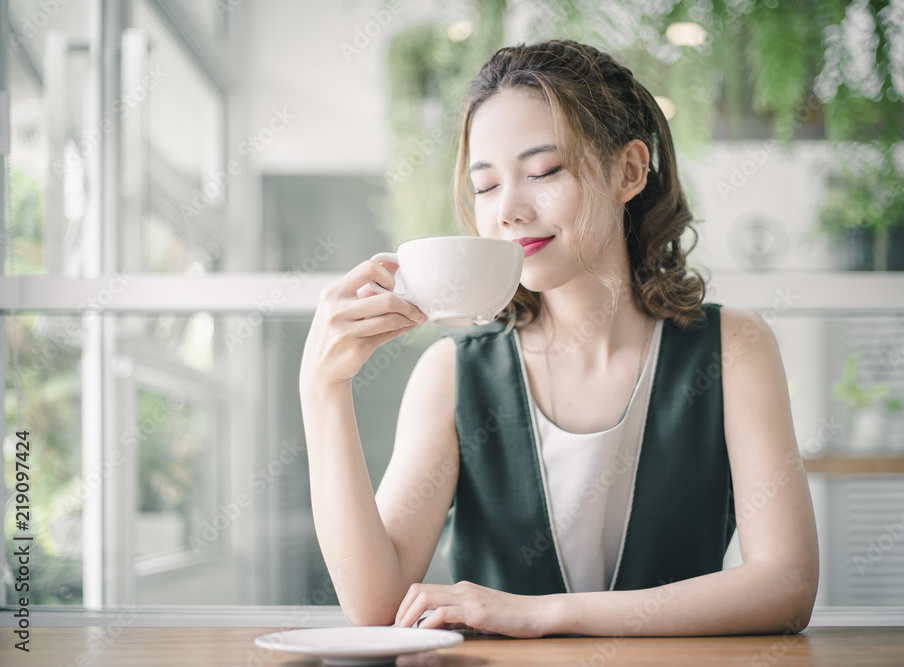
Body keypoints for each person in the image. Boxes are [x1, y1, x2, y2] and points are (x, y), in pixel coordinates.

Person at [299, 39, 819, 638]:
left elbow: (787, 585)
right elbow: (375, 605)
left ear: (629, 170)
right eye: (487, 186)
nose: (510, 210)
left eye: (545, 171)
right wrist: (323, 389)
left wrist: (542, 612)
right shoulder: (453, 374)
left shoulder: (734, 348)